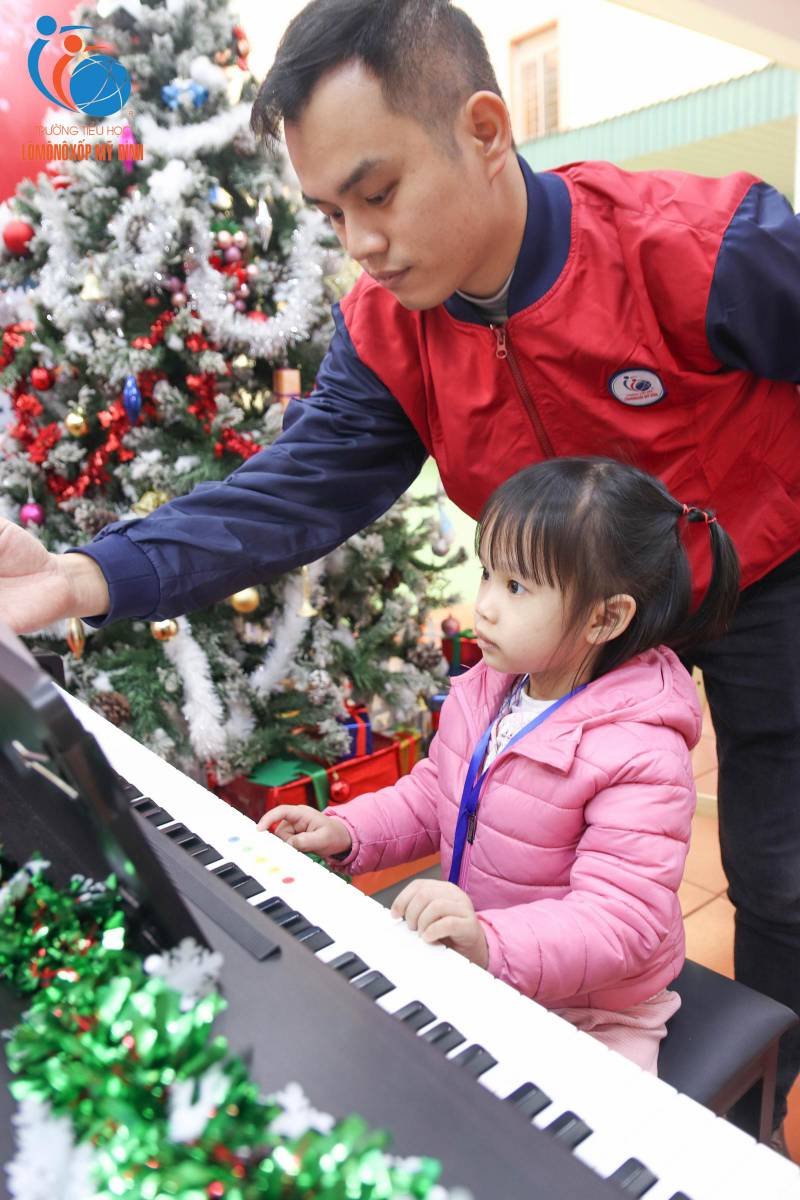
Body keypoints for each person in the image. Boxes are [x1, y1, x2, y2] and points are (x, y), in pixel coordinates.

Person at [0, 0, 798, 1131]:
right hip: (575, 627)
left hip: (768, 579)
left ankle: (747, 1133)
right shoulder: (386, 330)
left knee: (779, 873)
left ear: (482, 128)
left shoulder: (697, 244)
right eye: (330, 212)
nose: (360, 242)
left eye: (375, 193)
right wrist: (83, 578)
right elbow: (285, 496)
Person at [259, 457, 740, 1073]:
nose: (483, 605)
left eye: (516, 588)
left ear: (605, 618)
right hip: (488, 959)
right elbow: (437, 790)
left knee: (563, 1152)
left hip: (589, 1008)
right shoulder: (493, 687)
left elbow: (622, 923)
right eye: (488, 573)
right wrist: (349, 830)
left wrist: (492, 942)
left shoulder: (641, 751)